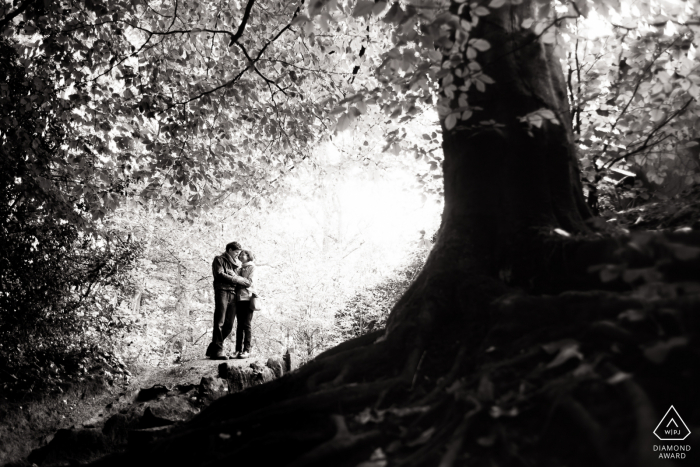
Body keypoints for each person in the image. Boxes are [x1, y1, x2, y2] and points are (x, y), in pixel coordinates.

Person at [206, 242, 251, 360]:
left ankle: (213, 348)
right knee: (219, 321)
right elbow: (220, 274)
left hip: (234, 294)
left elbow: (246, 281)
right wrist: (235, 279)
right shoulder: (219, 259)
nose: (238, 255)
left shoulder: (236, 264)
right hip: (222, 291)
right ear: (230, 250)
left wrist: (237, 279)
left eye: (239, 252)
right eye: (236, 252)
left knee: (229, 325)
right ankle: (217, 351)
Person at [233, 249, 256, 359]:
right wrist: (239, 280)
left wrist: (237, 279)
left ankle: (246, 350)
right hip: (238, 299)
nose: (241, 255)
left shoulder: (252, 267)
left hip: (248, 298)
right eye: (240, 254)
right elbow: (235, 282)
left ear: (249, 256)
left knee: (247, 325)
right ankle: (238, 350)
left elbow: (249, 282)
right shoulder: (239, 268)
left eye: (244, 254)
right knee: (239, 326)